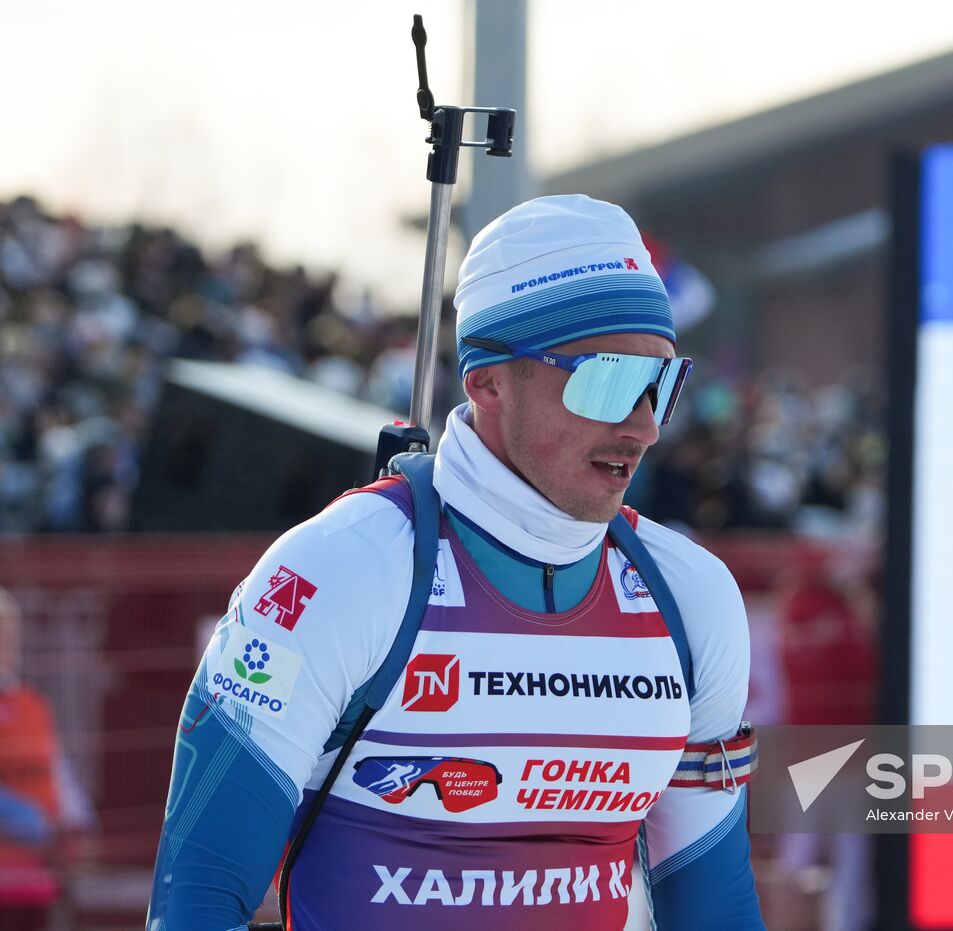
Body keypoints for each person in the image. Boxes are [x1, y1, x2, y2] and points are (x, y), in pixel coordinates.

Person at [146, 195, 763, 930]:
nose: (642, 426)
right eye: (608, 381)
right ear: (488, 382)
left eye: (662, 383)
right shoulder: (343, 568)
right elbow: (197, 895)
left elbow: (715, 909)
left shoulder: (688, 595)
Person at [0, 589, 92, 931]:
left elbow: (59, 770)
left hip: (40, 878)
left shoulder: (33, 704)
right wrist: (37, 824)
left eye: (10, 631)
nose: (5, 641)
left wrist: (79, 820)